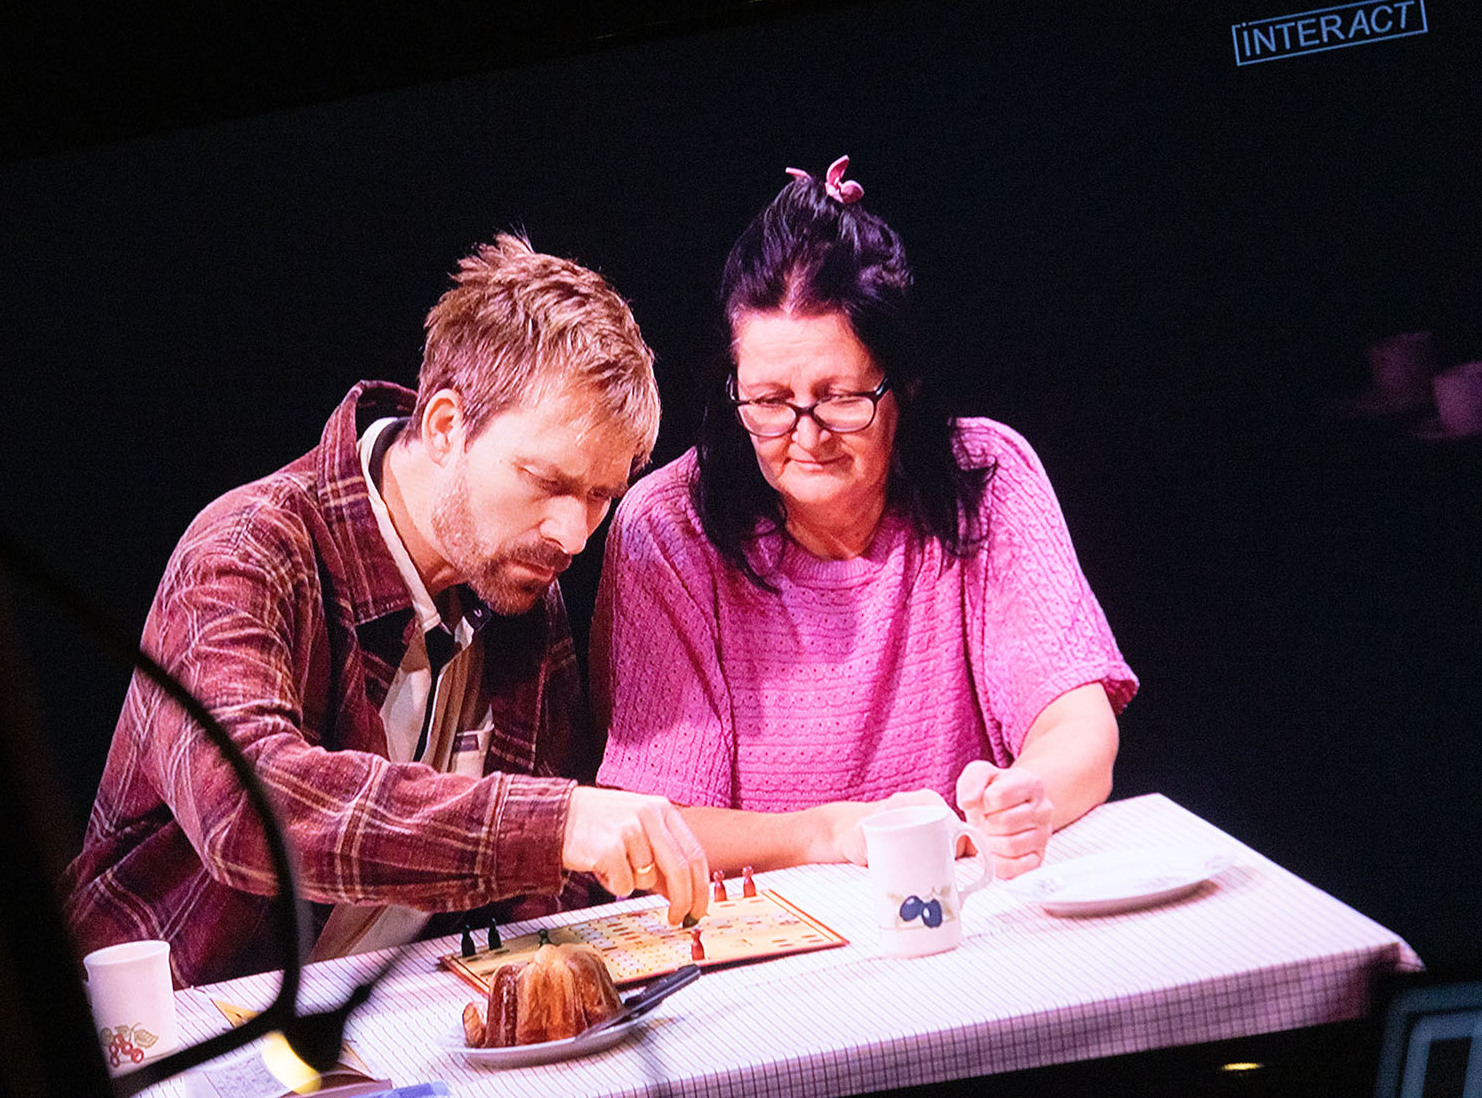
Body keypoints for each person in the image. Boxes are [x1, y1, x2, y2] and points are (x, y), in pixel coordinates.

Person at [63, 234, 712, 987]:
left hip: (392, 1023)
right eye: (545, 480)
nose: (573, 532)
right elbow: (248, 810)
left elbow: (542, 891)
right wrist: (553, 821)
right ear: (443, 427)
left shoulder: (520, 579)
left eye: (601, 496)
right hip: (180, 1031)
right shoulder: (247, 550)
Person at [593, 158, 1137, 879]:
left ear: (902, 385)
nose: (807, 434)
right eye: (769, 400)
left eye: (842, 397)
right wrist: (829, 833)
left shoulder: (988, 475)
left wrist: (1024, 794)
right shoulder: (668, 528)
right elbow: (654, 825)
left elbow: (1077, 721)